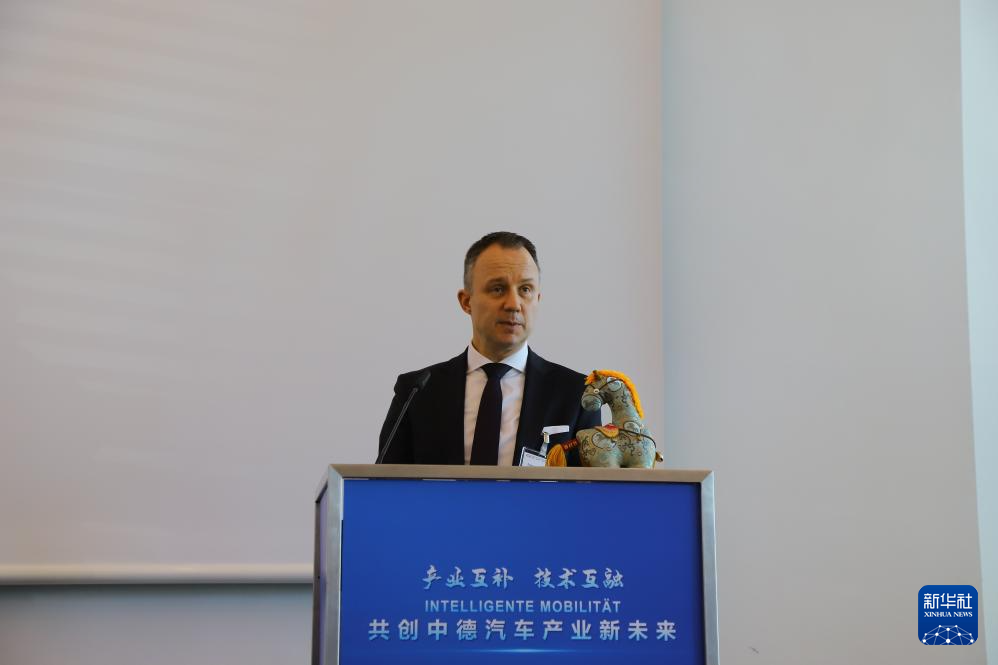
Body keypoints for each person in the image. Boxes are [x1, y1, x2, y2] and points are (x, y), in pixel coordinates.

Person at [377, 231, 601, 465]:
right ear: (466, 301)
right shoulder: (416, 392)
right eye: (498, 289)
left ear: (537, 299)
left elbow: (592, 486)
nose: (513, 304)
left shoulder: (578, 395)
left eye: (525, 289)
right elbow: (386, 482)